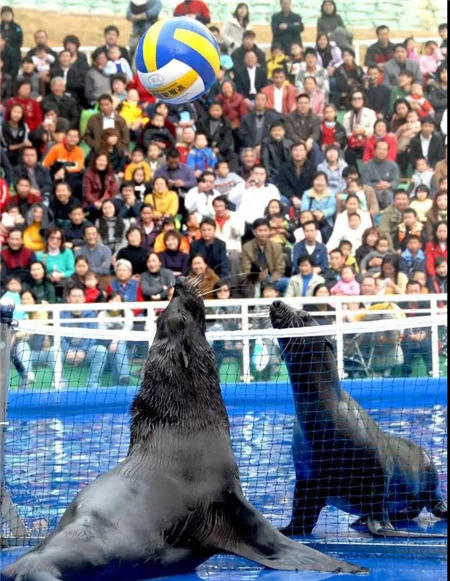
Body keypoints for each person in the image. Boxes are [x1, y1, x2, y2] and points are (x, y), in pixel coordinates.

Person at [13, 289, 65, 388]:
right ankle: (26, 380)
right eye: (23, 299)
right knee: (22, 345)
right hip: (27, 354)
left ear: (34, 300)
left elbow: (39, 326)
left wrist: (21, 333)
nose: (25, 301)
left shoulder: (41, 313)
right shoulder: (19, 315)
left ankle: (60, 380)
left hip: (43, 352)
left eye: (28, 298)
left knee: (55, 350)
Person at [60, 286, 108, 389]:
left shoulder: (91, 314)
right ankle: (61, 382)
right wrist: (67, 350)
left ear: (83, 298)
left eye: (79, 296)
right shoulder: (61, 314)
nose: (77, 299)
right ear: (68, 299)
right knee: (53, 352)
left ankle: (93, 384)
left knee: (101, 350)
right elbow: (59, 337)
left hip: (85, 352)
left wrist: (83, 351)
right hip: (66, 352)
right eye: (74, 296)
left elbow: (92, 336)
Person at [241, 218, 288, 296]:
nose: (263, 233)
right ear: (254, 232)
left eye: (265, 230)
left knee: (288, 282)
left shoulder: (276, 247)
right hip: (254, 279)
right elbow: (246, 269)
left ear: (269, 231)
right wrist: (257, 276)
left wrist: (270, 282)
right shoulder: (247, 247)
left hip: (272, 279)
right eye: (260, 230)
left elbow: (280, 269)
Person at [228, 165, 280, 232]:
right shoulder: (241, 186)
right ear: (251, 174)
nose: (259, 177)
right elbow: (232, 200)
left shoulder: (271, 189)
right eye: (256, 174)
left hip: (264, 223)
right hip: (243, 224)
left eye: (262, 174)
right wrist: (245, 188)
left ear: (266, 175)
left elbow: (276, 206)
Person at [401, 279, 432, 377]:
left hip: (423, 337)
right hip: (406, 338)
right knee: (408, 343)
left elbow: (431, 324)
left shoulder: (428, 305)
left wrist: (424, 333)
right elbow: (398, 326)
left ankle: (431, 370)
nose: (413, 294)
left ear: (421, 292)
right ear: (406, 292)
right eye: (411, 291)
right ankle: (406, 373)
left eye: (416, 291)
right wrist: (409, 335)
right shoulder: (400, 306)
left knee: (426, 342)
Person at [36, 227, 75, 296]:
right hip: (47, 285)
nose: (55, 241)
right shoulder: (40, 255)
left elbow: (72, 270)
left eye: (58, 238)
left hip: (65, 285)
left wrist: (60, 275)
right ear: (47, 239)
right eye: (52, 238)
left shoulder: (68, 252)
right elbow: (38, 272)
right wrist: (50, 276)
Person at [342, 89, 377, 166]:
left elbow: (375, 130)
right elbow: (345, 132)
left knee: (366, 150)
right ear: (351, 101)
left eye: (359, 98)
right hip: (352, 143)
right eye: (354, 99)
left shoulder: (370, 113)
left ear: (363, 100)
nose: (356, 101)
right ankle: (355, 173)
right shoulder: (347, 116)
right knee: (348, 153)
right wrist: (353, 134)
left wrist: (363, 131)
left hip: (366, 141)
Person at [361, 140, 400, 209]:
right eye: (379, 149)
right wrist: (377, 186)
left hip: (388, 191)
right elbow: (365, 182)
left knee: (388, 194)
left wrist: (388, 185)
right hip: (372, 191)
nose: (382, 152)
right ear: (374, 151)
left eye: (384, 149)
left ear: (387, 151)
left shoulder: (393, 165)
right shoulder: (366, 166)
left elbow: (395, 182)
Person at [212, 195, 244, 276]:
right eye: (216, 206)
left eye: (221, 206)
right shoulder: (211, 219)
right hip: (217, 250)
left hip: (232, 249)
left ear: (226, 206)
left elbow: (240, 232)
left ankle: (234, 285)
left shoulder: (236, 216)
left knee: (233, 258)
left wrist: (230, 220)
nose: (219, 209)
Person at [300, 171, 336, 243]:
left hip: (326, 222)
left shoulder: (331, 194)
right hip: (309, 221)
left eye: (322, 180)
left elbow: (332, 208)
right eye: (317, 180)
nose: (319, 182)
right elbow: (304, 209)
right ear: (313, 181)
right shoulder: (307, 194)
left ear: (326, 182)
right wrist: (314, 214)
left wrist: (323, 213)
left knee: (325, 231)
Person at [82, 152, 119, 217]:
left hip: (106, 200)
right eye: (99, 160)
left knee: (117, 205)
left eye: (104, 160)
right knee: (95, 208)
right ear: (95, 161)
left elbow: (114, 189)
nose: (102, 163)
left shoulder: (110, 172)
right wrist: (96, 202)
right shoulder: (88, 173)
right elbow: (86, 194)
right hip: (93, 202)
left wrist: (108, 201)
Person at [1, 103, 30, 167]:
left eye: (19, 112)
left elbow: (26, 141)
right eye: (14, 111)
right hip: (6, 153)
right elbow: (8, 147)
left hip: (20, 153)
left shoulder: (24, 126)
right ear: (10, 112)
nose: (16, 115)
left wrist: (23, 144)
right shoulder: (3, 127)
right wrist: (22, 144)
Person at [0, 6, 22, 78]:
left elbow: (20, 41)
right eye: (4, 13)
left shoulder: (17, 27)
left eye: (8, 13)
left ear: (12, 15)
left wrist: (10, 49)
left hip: (14, 56)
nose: (6, 15)